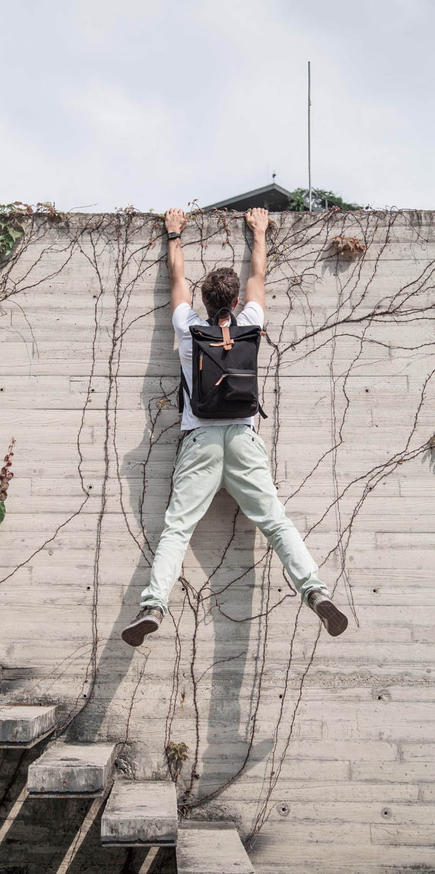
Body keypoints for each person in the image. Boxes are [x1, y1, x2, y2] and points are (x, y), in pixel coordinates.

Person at [121, 207, 348, 647]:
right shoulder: (250, 324)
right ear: (236, 302)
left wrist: (173, 232)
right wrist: (258, 232)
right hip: (243, 438)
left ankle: (152, 605)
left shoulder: (188, 328)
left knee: (177, 529)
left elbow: (175, 277)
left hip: (200, 439)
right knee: (276, 523)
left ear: (204, 302)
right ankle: (314, 590)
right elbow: (258, 275)